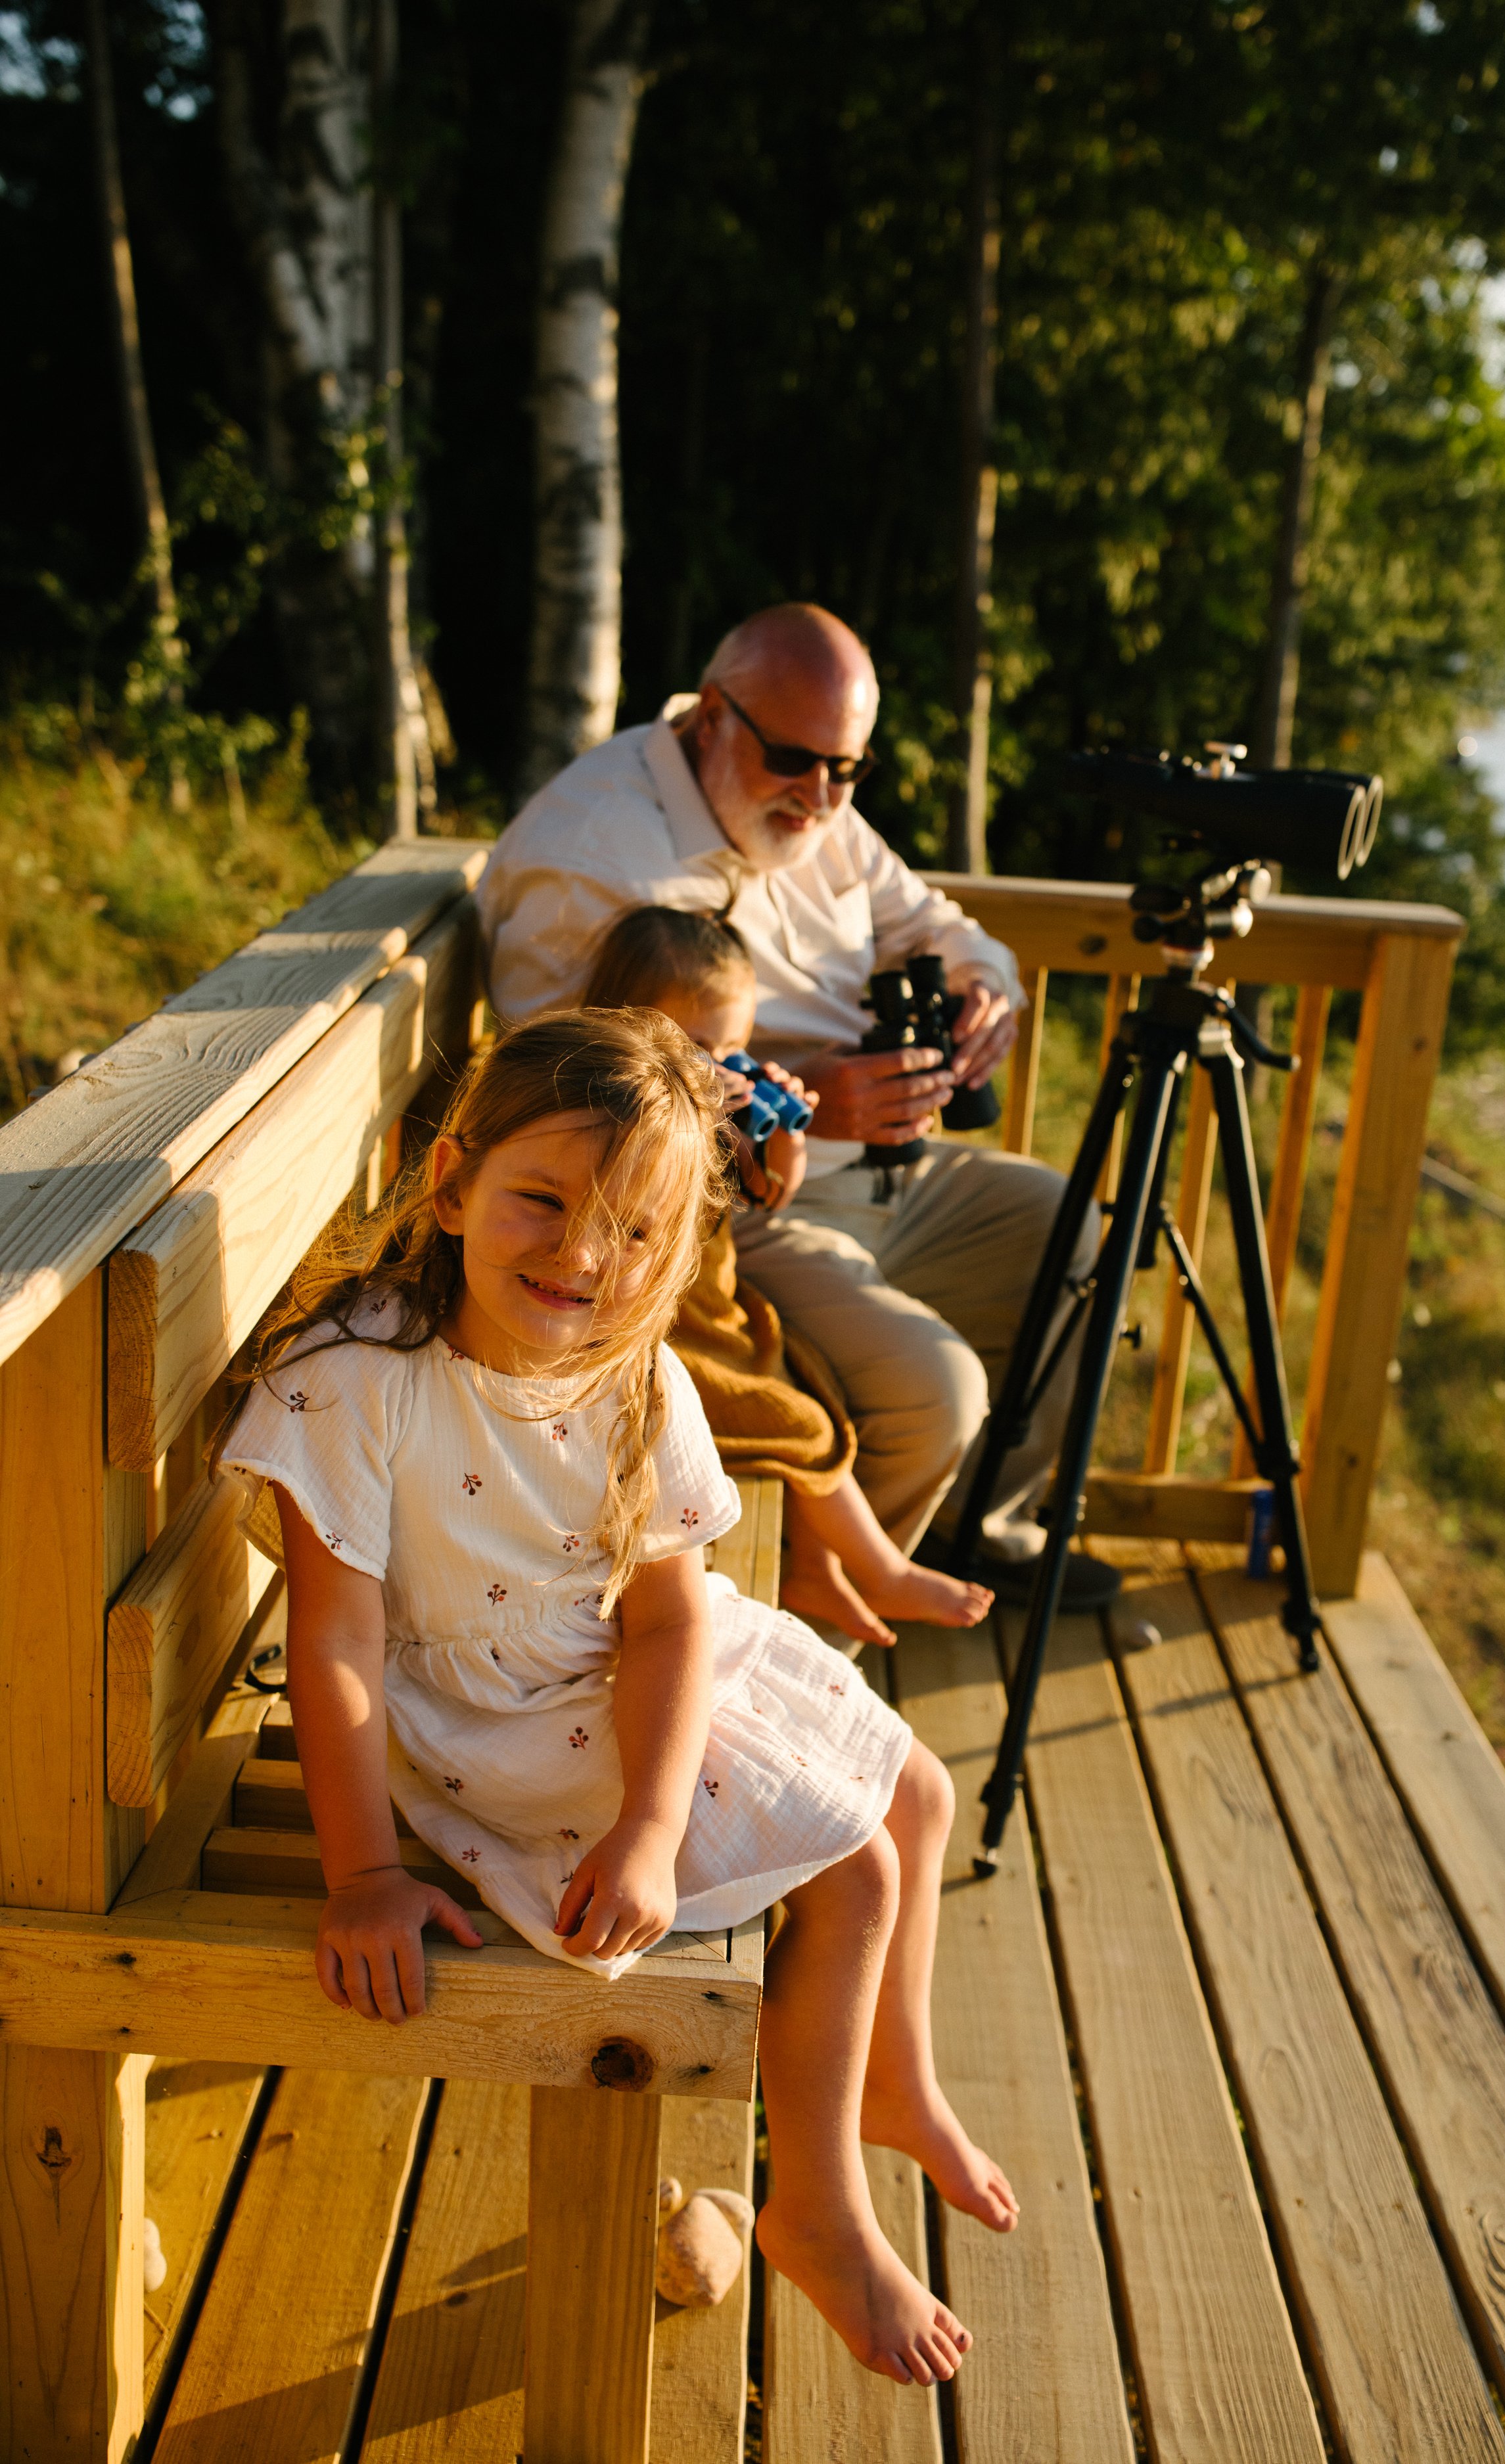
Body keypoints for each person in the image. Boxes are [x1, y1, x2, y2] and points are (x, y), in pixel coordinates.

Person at [216, 1011, 1017, 2386]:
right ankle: (813, 2207)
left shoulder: (630, 1369)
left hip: (610, 1655)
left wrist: (654, 1820)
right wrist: (361, 1875)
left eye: (635, 1232)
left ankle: (891, 2081)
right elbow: (335, 1647)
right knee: (856, 1877)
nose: (584, 1255)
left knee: (918, 1791)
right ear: (451, 1181)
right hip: (493, 1719)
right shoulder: (358, 1382)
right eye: (542, 1200)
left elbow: (664, 1614)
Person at [479, 602, 1116, 1605]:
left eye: (847, 768)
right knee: (939, 1394)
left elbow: (946, 927)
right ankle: (817, 1641)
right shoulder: (593, 856)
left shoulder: (805, 805)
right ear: (709, 718)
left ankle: (979, 1530)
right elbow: (568, 1102)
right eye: (796, 758)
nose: (822, 796)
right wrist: (811, 1107)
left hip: (890, 1164)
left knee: (1081, 1235)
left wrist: (987, 989)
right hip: (744, 1205)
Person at [581, 902, 994, 1647]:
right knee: (793, 1421)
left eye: (737, 1043)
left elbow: (768, 1193)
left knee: (810, 1385)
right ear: (626, 1026)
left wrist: (782, 1139)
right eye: (700, 1044)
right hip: (655, 1339)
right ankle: (882, 1570)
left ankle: (819, 1568)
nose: (723, 1064)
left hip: (720, 1317)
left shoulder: (710, 1109)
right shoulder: (602, 1116)